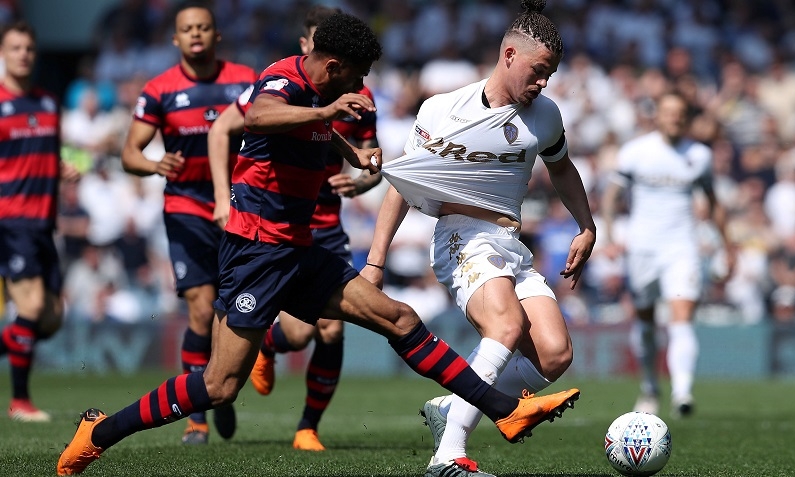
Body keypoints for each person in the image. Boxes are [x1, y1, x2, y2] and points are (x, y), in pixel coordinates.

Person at [57, 11, 580, 476]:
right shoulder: (282, 80)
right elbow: (258, 117)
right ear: (332, 66)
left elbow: (311, 128)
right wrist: (327, 116)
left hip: (300, 250)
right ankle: (100, 432)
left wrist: (351, 152)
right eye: (358, 74)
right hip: (257, 253)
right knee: (218, 386)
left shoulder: (317, 94)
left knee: (400, 319)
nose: (362, 84)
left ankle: (504, 410)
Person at [363, 1, 594, 475]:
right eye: (538, 71)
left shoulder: (545, 116)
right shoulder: (443, 109)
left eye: (550, 74)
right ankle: (448, 455)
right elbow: (403, 185)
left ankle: (453, 405)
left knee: (555, 354)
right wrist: (375, 261)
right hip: (461, 236)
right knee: (504, 326)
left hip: (510, 242)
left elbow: (562, 168)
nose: (543, 83)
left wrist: (587, 226)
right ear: (509, 55)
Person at [207, 5, 383, 451]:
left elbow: (369, 158)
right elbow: (232, 125)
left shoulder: (356, 95)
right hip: (272, 224)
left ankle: (308, 427)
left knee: (332, 329)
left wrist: (362, 177)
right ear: (311, 48)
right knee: (301, 332)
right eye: (309, 42)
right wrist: (221, 197)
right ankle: (258, 349)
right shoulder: (280, 84)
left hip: (324, 223)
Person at [118, 1, 257, 444]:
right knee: (200, 308)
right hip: (186, 208)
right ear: (175, 38)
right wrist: (154, 165)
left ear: (217, 34)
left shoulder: (245, 80)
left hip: (239, 205)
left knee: (235, 308)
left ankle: (220, 386)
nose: (196, 33)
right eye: (187, 28)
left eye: (203, 27)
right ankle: (197, 417)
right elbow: (130, 154)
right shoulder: (159, 89)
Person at [601, 91, 732, 418]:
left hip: (681, 247)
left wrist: (724, 244)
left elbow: (713, 202)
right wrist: (611, 236)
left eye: (679, 112)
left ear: (687, 118)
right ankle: (649, 386)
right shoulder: (636, 152)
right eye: (668, 111)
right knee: (645, 323)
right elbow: (612, 196)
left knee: (681, 316)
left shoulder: (699, 156)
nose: (674, 117)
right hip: (642, 248)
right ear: (657, 116)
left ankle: (682, 393)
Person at [0, 21, 78, 422]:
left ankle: (14, 352)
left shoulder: (48, 102)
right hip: (11, 221)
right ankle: (20, 402)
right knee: (29, 305)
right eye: (15, 48)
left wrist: (61, 167)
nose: (23, 55)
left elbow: (43, 153)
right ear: (3, 54)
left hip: (44, 223)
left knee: (49, 319)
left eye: (29, 48)